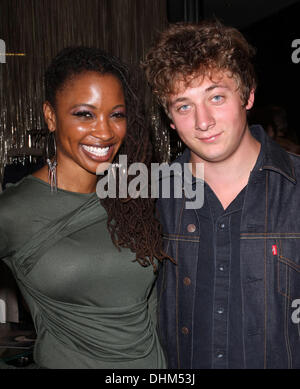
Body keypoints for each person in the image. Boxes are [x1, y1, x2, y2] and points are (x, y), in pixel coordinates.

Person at [142, 20, 300, 369]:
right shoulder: (153, 198)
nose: (203, 121)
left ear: (248, 95)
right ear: (169, 118)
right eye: (184, 106)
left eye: (216, 97)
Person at [0, 47, 167, 369]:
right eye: (84, 114)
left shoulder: (133, 197)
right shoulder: (14, 211)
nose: (104, 132)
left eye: (116, 115)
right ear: (51, 116)